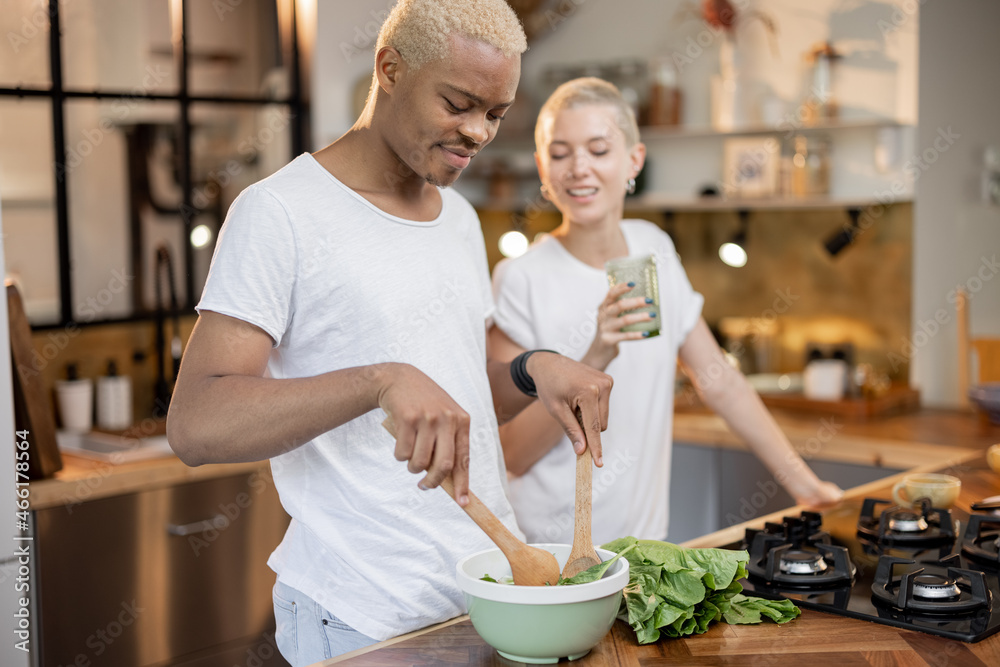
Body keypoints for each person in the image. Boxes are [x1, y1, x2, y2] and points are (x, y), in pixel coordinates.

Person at [165, 4, 614, 665]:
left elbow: (457, 393)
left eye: (496, 112)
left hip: (483, 597)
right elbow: (195, 423)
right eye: (459, 103)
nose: (478, 131)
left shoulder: (458, 217)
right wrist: (379, 380)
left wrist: (532, 369)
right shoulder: (279, 213)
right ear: (390, 68)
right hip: (363, 616)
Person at [490, 77, 843, 547]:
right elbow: (514, 453)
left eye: (598, 150)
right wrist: (595, 355)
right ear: (541, 168)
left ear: (634, 160)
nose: (578, 168)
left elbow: (719, 380)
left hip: (645, 551)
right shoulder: (520, 278)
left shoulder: (652, 249)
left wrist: (803, 484)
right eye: (559, 154)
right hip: (552, 552)